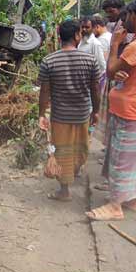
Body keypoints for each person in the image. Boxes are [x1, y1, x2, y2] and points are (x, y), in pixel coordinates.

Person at [87, 0, 136, 221]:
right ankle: (132, 198)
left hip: (131, 109)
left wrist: (114, 46)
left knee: (121, 157)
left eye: (126, 15)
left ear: (135, 16)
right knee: (134, 158)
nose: (123, 20)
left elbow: (110, 71)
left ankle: (115, 206)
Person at [38, 19, 102, 201]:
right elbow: (95, 89)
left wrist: (41, 114)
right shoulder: (90, 60)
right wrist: (96, 111)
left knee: (62, 151)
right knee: (80, 148)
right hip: (82, 114)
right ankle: (74, 172)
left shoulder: (48, 61)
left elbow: (44, 92)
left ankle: (64, 190)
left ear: (60, 37)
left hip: (60, 117)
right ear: (76, 36)